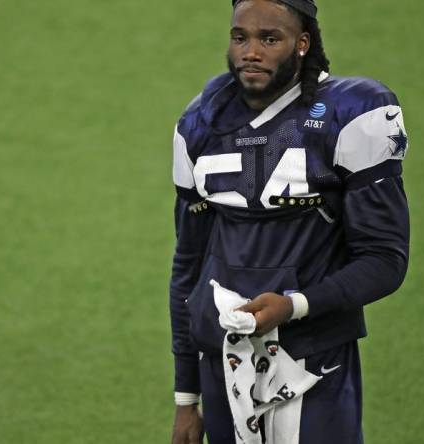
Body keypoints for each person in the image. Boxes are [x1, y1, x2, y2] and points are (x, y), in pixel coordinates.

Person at [169, 1, 409, 443]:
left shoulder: (351, 113)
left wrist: (295, 305)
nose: (250, 52)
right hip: (222, 361)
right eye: (240, 37)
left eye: (269, 39)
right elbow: (188, 268)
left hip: (313, 361)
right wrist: (187, 397)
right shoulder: (200, 124)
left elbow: (384, 259)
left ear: (302, 43)